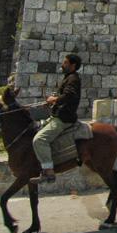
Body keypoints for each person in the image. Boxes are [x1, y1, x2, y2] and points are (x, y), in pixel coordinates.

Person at [30, 54, 83, 184]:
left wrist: (55, 99)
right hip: (58, 115)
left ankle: (48, 171)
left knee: (39, 140)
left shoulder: (73, 79)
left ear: (73, 65)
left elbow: (69, 95)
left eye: (65, 63)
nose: (62, 65)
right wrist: (52, 102)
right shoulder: (68, 78)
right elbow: (64, 97)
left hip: (64, 118)